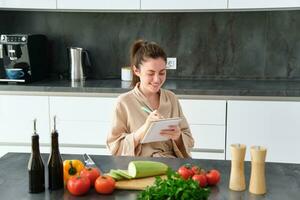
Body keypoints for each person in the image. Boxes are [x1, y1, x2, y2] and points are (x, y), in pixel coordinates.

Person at [106, 39, 194, 158]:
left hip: (171, 165)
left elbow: (189, 140)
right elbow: (114, 148)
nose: (157, 79)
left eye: (162, 73)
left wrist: (178, 137)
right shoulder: (124, 102)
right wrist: (143, 131)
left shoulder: (171, 98)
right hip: (140, 168)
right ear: (136, 71)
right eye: (151, 73)